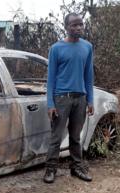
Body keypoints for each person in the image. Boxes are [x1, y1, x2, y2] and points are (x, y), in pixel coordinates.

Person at [43, 12, 94, 183]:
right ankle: (50, 169)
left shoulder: (87, 47)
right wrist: (50, 104)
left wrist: (90, 100)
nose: (78, 27)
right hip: (61, 99)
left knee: (75, 136)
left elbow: (89, 75)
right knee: (56, 137)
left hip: (80, 99)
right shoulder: (56, 48)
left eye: (80, 24)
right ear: (66, 27)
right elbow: (50, 79)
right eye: (74, 25)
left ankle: (76, 167)